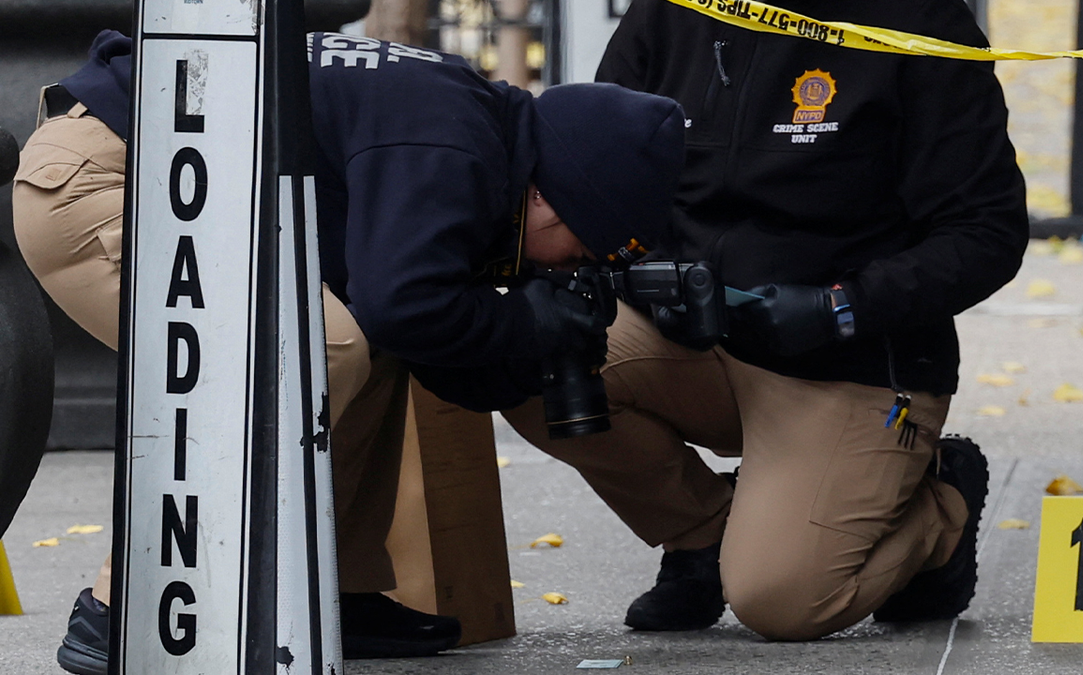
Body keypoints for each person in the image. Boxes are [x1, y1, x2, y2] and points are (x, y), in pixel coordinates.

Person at [12, 29, 684, 674]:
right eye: (586, 253)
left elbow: (425, 343)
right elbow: (405, 304)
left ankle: (331, 590)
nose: (576, 270)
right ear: (550, 201)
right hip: (106, 183)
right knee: (307, 347)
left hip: (168, 175)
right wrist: (522, 321)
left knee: (364, 343)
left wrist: (530, 339)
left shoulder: (482, 140)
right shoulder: (453, 145)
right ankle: (124, 602)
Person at [501, 0, 1029, 640]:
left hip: (847, 360)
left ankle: (942, 506)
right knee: (516, 354)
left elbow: (987, 233)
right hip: (687, 338)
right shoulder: (671, 13)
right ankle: (702, 536)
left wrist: (843, 307)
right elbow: (593, 171)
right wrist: (648, 270)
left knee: (784, 602)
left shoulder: (916, 20)